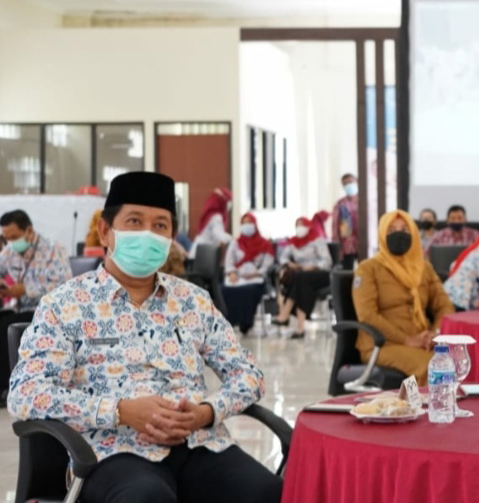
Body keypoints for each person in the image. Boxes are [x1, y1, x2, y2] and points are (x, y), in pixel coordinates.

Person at [8, 171, 280, 503]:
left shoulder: (193, 301)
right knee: (148, 498)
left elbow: (248, 376)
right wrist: (120, 410)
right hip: (112, 451)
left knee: (267, 491)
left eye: (160, 226)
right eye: (134, 222)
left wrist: (206, 411)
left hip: (197, 443)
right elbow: (25, 393)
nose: (148, 234)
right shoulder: (64, 306)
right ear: (105, 231)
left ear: (172, 238)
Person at [352, 210, 457, 385]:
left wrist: (436, 334)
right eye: (391, 230)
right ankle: (435, 412)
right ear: (383, 235)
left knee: (459, 362)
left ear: (414, 234)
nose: (399, 234)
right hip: (383, 345)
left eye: (405, 229)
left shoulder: (424, 268)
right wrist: (407, 340)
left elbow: (444, 305)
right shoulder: (368, 269)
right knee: (434, 367)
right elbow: (367, 315)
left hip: (424, 341)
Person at [0, 209, 72, 408]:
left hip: (46, 310)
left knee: (6, 326)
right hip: (18, 308)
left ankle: (7, 385)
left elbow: (64, 285)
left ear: (29, 230)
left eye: (14, 237)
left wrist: (26, 290)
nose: (11, 243)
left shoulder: (53, 249)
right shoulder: (10, 252)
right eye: (7, 239)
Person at [272, 217, 332, 338]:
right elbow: (283, 258)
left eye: (302, 225)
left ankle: (285, 314)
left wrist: (312, 267)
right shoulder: (293, 242)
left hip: (320, 274)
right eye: (297, 225)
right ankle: (300, 328)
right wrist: (290, 264)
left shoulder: (317, 240)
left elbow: (327, 261)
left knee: (300, 278)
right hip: (302, 276)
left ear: (308, 226)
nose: (300, 228)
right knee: (300, 281)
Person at [222, 213, 275, 335]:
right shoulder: (236, 243)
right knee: (225, 289)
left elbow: (268, 263)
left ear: (255, 225)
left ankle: (245, 323)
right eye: (244, 223)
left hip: (256, 278)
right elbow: (229, 261)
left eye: (249, 223)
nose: (246, 226)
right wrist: (231, 273)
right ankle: (230, 322)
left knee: (249, 290)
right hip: (238, 276)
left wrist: (256, 274)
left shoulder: (265, 244)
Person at [190, 188, 233, 258]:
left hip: (199, 252)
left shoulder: (210, 215)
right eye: (228, 201)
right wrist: (233, 239)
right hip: (203, 255)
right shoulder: (216, 217)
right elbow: (218, 235)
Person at [331, 173, 359, 269]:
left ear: (356, 182)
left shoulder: (365, 200)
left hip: (364, 244)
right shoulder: (340, 204)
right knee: (348, 275)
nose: (348, 185)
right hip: (347, 247)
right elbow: (335, 227)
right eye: (345, 184)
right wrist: (338, 249)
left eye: (350, 182)